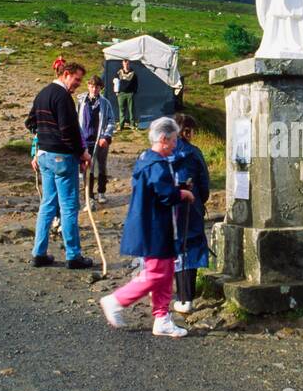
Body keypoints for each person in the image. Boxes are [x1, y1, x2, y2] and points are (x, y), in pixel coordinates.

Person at [100, 116, 195, 337]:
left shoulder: (149, 160)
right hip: (154, 227)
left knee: (166, 270)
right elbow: (164, 194)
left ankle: (162, 318)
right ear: (163, 139)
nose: (174, 145)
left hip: (158, 225)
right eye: (172, 141)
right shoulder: (156, 165)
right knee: (156, 273)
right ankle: (115, 300)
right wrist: (182, 192)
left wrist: (177, 188)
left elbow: (158, 189)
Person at [25, 62, 93, 269]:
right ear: (66, 74)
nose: (77, 85)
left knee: (47, 205)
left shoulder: (43, 93)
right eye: (77, 80)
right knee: (69, 207)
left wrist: (42, 138)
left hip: (44, 155)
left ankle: (39, 253)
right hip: (62, 157)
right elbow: (68, 131)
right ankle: (73, 256)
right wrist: (82, 154)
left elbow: (30, 122)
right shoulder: (63, 97)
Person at [170, 113, 210, 314]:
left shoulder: (163, 151)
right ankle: (186, 298)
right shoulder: (194, 153)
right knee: (191, 247)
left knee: (172, 247)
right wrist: (200, 200)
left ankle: (160, 293)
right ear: (186, 131)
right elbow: (204, 184)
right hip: (190, 206)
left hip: (167, 206)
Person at [77, 75, 116, 207]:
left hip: (100, 140)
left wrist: (106, 136)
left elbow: (111, 121)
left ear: (101, 88)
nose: (94, 89)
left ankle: (101, 192)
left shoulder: (105, 103)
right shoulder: (81, 101)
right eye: (92, 86)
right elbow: (76, 120)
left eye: (97, 87)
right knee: (87, 168)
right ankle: (89, 196)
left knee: (101, 167)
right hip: (85, 140)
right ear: (88, 86)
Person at [114, 61, 138, 129]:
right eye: (125, 64)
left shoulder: (133, 74)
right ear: (122, 64)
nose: (126, 65)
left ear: (129, 64)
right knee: (121, 110)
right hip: (121, 94)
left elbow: (136, 84)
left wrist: (133, 92)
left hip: (130, 94)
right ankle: (121, 126)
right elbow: (115, 82)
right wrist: (116, 91)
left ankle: (132, 125)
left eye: (127, 64)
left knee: (131, 110)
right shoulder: (119, 73)